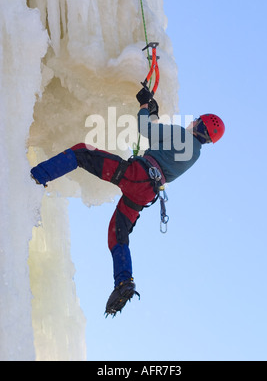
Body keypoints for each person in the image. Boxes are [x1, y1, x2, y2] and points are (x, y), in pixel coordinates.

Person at [30, 87, 225, 316]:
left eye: (196, 121)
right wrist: (152, 113)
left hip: (137, 175)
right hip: (145, 193)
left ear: (201, 125)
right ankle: (124, 282)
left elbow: (146, 131)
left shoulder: (183, 135)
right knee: (117, 234)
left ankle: (34, 178)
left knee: (82, 152)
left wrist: (143, 106)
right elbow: (160, 141)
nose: (192, 121)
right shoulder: (194, 154)